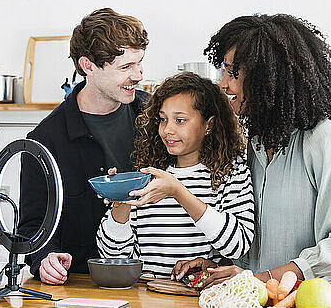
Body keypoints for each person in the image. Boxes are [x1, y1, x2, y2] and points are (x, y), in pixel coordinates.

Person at [172, 14, 331, 292]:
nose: (224, 85)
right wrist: (220, 267)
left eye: (234, 74)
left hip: (325, 307)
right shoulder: (254, 141)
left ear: (267, 79)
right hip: (267, 306)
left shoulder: (326, 138)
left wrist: (259, 279)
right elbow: (257, 241)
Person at [18, 8, 149, 285]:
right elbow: (32, 227)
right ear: (88, 66)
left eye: (139, 63)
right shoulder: (45, 139)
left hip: (156, 280)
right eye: (125, 67)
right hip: (83, 286)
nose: (138, 75)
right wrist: (45, 258)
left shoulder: (156, 116)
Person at [96, 72, 254, 277]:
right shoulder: (148, 176)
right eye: (163, 119)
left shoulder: (231, 172)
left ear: (209, 124)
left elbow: (238, 245)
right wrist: (121, 200)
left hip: (199, 302)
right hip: (146, 301)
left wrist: (178, 191)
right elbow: (112, 255)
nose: (167, 129)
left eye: (180, 120)